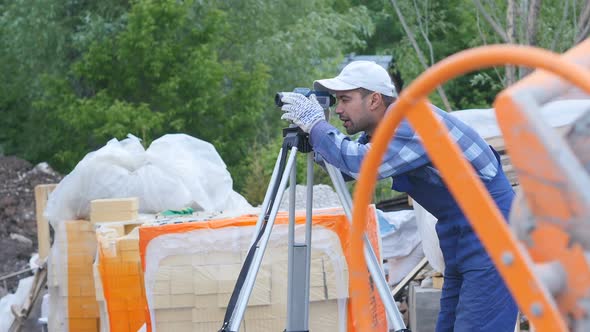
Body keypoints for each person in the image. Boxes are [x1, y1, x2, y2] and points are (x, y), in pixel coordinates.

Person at [279, 60, 517, 332]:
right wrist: (316, 136)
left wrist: (317, 126)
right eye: (335, 101)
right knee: (449, 325)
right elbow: (348, 169)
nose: (339, 109)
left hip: (493, 234)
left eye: (345, 99)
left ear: (374, 100)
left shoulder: (412, 122)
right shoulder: (384, 130)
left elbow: (360, 164)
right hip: (465, 234)